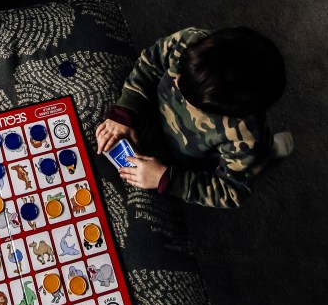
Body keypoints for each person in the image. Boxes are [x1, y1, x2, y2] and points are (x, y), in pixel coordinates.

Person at [95, 27, 290, 208]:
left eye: (191, 99)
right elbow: (150, 64)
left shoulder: (247, 136)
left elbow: (231, 191)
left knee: (257, 156)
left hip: (198, 161)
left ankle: (268, 151)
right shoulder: (191, 43)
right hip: (161, 128)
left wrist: (167, 179)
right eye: (181, 71)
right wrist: (124, 111)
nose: (176, 81)